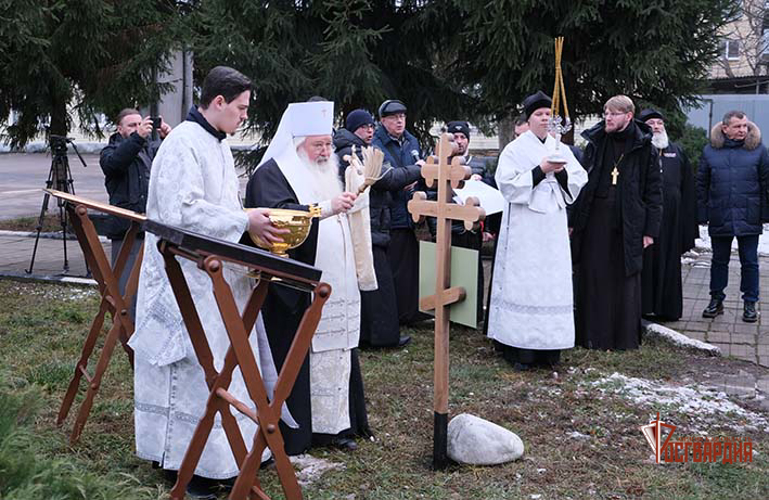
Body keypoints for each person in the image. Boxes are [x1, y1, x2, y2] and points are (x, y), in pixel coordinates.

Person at [129, 66, 286, 499]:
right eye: (240, 109)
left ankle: (223, 456)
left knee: (219, 365)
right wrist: (243, 220)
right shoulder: (182, 143)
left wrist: (248, 228)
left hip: (214, 274)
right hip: (186, 279)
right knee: (196, 371)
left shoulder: (215, 144)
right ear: (218, 102)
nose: (243, 117)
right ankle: (189, 464)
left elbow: (220, 205)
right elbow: (181, 212)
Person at [246, 100, 372, 454]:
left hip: (337, 278)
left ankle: (338, 424)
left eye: (329, 144)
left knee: (337, 348)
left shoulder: (329, 169)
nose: (326, 152)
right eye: (318, 145)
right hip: (297, 289)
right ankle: (306, 430)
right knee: (305, 351)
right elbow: (275, 217)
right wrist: (324, 210)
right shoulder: (272, 172)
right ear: (297, 143)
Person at [487, 91, 587, 370]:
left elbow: (579, 180)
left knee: (552, 283)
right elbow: (506, 185)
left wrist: (561, 171)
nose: (545, 119)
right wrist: (541, 169)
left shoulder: (561, 147)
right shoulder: (515, 149)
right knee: (525, 282)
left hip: (553, 226)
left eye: (548, 115)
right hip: (526, 225)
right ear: (529, 120)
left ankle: (550, 348)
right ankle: (520, 348)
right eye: (539, 115)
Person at [570, 95, 662, 351]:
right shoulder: (597, 142)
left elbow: (654, 193)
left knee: (623, 279)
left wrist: (650, 231)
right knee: (593, 274)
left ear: (628, 116)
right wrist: (574, 221)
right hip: (595, 221)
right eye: (605, 113)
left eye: (613, 114)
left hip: (629, 223)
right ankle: (589, 336)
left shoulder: (644, 148)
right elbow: (582, 186)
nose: (607, 118)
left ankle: (621, 339)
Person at [334, 109, 416, 348]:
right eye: (363, 127)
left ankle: (369, 335)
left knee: (369, 283)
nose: (369, 130)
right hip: (366, 226)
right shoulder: (353, 152)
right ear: (353, 130)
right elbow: (385, 178)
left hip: (370, 224)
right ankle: (383, 337)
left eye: (371, 126)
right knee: (378, 284)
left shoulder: (357, 149)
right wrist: (419, 168)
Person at [697, 110, 769, 323]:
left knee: (750, 262)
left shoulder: (759, 151)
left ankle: (750, 304)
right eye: (738, 126)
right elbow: (702, 185)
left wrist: (764, 214)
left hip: (749, 214)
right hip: (720, 213)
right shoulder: (710, 151)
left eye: (745, 126)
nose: (743, 130)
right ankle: (716, 301)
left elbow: (766, 185)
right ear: (725, 128)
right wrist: (702, 214)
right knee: (719, 261)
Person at [99, 109, 171, 317]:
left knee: (152, 287)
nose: (138, 128)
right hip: (125, 229)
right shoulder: (109, 152)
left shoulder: (149, 150)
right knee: (125, 290)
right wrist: (137, 137)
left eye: (140, 124)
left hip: (151, 228)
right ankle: (126, 330)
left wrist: (169, 138)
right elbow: (116, 164)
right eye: (131, 125)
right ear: (119, 129)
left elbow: (171, 163)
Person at [638, 109, 698, 321]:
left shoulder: (677, 152)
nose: (656, 126)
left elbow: (688, 188)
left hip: (672, 220)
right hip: (645, 219)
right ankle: (643, 307)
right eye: (651, 123)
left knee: (669, 263)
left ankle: (667, 308)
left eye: (659, 122)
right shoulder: (639, 152)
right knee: (646, 264)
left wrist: (689, 224)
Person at [372, 99, 427, 326]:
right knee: (394, 268)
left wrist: (416, 177)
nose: (399, 121)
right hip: (390, 214)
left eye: (402, 116)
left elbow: (420, 168)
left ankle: (411, 311)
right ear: (383, 121)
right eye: (393, 117)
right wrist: (409, 174)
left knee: (410, 267)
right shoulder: (377, 145)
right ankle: (397, 314)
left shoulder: (411, 141)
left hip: (411, 213)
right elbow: (386, 178)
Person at [443, 120, 495, 325]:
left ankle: (473, 314)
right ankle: (451, 314)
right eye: (454, 138)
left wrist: (488, 228)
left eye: (462, 137)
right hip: (449, 226)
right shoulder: (441, 165)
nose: (459, 141)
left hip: (472, 227)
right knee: (450, 269)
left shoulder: (479, 164)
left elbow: (489, 198)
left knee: (473, 270)